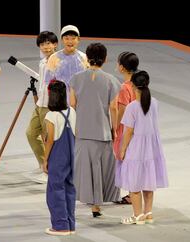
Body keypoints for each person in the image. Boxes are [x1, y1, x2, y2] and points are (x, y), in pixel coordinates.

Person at [70, 43, 121, 217]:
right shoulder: (112, 80)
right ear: (105, 59)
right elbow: (113, 108)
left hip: (82, 130)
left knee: (85, 168)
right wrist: (115, 129)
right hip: (103, 131)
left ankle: (89, 201)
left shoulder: (75, 78)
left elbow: (73, 104)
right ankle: (96, 206)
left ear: (87, 58)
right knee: (100, 168)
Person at [116, 70, 168, 224]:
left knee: (134, 182)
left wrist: (123, 149)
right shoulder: (155, 102)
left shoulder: (132, 107)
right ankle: (148, 213)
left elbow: (129, 132)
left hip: (136, 148)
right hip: (151, 148)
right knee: (147, 180)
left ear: (132, 85)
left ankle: (137, 216)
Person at [43, 80, 76, 236]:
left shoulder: (51, 116)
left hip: (58, 156)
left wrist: (45, 160)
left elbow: (49, 141)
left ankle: (60, 226)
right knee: (69, 188)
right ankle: (70, 224)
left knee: (55, 191)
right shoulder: (72, 112)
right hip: (72, 155)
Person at [26, 31, 58, 184]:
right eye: (42, 44)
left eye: (48, 43)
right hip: (40, 104)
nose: (45, 47)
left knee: (48, 139)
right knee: (31, 133)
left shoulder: (58, 61)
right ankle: (44, 165)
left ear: (55, 44)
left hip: (50, 106)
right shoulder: (42, 62)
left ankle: (50, 171)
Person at [113, 52, 139, 205]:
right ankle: (133, 193)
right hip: (139, 128)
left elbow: (121, 112)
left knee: (126, 160)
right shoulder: (140, 84)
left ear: (122, 67)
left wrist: (114, 129)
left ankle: (132, 194)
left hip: (126, 130)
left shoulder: (124, 88)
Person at [44, 25, 88, 105]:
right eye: (66, 38)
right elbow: (49, 83)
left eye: (73, 38)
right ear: (62, 40)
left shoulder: (84, 58)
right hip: (60, 104)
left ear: (78, 39)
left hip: (81, 103)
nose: (70, 41)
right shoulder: (54, 58)